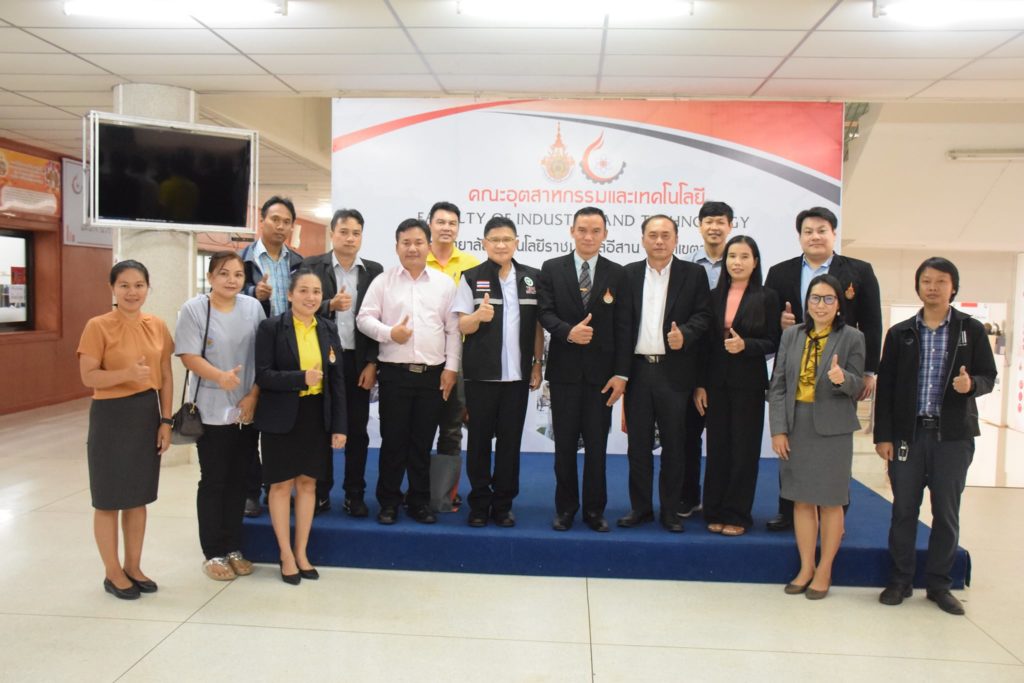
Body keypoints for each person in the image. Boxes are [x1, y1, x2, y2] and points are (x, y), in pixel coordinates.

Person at [874, 257, 997, 616]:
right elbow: (887, 388)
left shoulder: (970, 330)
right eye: (926, 281)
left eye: (941, 281)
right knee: (903, 510)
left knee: (946, 512)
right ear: (918, 286)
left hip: (952, 439)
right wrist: (883, 436)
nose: (933, 287)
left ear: (953, 287)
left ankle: (939, 584)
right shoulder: (900, 333)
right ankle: (900, 580)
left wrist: (971, 385)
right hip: (908, 437)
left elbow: (988, 376)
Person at [763, 206, 881, 531]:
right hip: (794, 365)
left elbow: (872, 323)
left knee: (832, 445)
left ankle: (834, 511)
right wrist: (778, 322)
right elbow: (766, 322)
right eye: (808, 231)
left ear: (833, 234)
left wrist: (869, 371)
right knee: (791, 443)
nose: (815, 236)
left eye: (822, 230)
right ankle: (789, 510)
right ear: (799, 236)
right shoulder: (780, 272)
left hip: (838, 370)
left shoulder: (859, 271)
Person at [77, 260, 173, 600]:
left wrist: (166, 421)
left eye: (139, 285)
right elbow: (88, 376)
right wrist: (126, 375)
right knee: (108, 499)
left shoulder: (156, 325)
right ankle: (112, 571)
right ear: (113, 289)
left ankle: (134, 566)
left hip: (146, 414)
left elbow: (166, 374)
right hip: (110, 416)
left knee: (137, 497)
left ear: (148, 288)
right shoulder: (97, 326)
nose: (132, 292)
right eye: (124, 285)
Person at [357, 218, 461, 525]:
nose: (412, 248)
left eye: (418, 242)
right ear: (397, 247)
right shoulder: (384, 281)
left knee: (422, 442)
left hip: (432, 375)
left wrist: (451, 368)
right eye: (406, 243)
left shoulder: (444, 284)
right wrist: (390, 333)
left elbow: (453, 330)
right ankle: (388, 502)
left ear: (429, 246)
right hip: (395, 374)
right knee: (393, 441)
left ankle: (419, 501)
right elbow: (364, 319)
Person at [768, 274, 865, 600]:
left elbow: (858, 386)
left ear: (838, 305)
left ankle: (824, 570)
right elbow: (778, 386)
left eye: (828, 299)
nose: (820, 305)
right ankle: (806, 567)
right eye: (815, 298)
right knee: (802, 499)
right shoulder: (791, 335)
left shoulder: (852, 337)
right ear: (806, 302)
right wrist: (779, 429)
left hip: (833, 429)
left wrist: (842, 378)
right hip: (797, 424)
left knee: (831, 501)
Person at [538, 206, 632, 532]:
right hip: (563, 374)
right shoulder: (552, 268)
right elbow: (544, 313)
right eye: (582, 230)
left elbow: (624, 327)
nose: (588, 236)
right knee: (564, 447)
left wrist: (622, 374)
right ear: (572, 231)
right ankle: (565, 509)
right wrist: (568, 332)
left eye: (595, 231)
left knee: (596, 448)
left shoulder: (618, 274)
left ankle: (594, 511)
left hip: (601, 377)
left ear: (605, 234)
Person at [175, 251, 265, 581]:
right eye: (224, 273)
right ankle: (213, 552)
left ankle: (233, 547)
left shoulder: (252, 307)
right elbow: (188, 355)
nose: (231, 280)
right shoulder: (194, 309)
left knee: (240, 480)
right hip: (211, 409)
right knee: (214, 480)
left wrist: (253, 394)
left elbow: (263, 356)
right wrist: (219, 377)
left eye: (238, 274)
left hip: (246, 408)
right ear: (211, 276)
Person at [618, 215, 711, 533]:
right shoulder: (628, 274)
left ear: (676, 239)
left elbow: (704, 316)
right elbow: (621, 325)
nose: (659, 241)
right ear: (643, 239)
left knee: (675, 445)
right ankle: (640, 508)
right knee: (638, 446)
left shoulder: (693, 274)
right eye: (653, 235)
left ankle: (671, 510)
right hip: (639, 371)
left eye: (665, 235)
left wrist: (686, 333)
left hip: (676, 372)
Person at [254, 270, 347, 585]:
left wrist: (339, 426)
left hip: (315, 416)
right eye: (304, 290)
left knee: (308, 485)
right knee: (281, 486)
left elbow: (337, 382)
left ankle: (302, 551)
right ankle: (285, 554)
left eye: (316, 291)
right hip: (280, 416)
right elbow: (263, 375)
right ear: (290, 294)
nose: (311, 297)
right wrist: (300, 378)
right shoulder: (271, 328)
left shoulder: (328, 328)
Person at [453, 216, 544, 528]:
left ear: (517, 243)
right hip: (480, 376)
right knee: (478, 442)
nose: (501, 245)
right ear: (484, 243)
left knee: (509, 443)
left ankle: (503, 504)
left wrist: (537, 363)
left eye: (507, 239)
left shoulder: (532, 278)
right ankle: (479, 503)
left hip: (517, 378)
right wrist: (478, 316)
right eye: (495, 240)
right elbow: (461, 325)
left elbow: (538, 327)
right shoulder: (470, 277)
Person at [695, 235, 780, 536]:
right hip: (715, 382)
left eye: (744, 257)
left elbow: (774, 340)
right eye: (732, 256)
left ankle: (737, 514)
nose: (737, 262)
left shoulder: (767, 296)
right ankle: (714, 509)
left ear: (755, 262)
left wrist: (747, 345)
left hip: (749, 384)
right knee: (718, 448)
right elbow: (703, 345)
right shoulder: (712, 296)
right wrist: (700, 384)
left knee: (744, 450)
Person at [302, 209, 383, 517]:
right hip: (321, 362)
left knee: (357, 431)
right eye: (344, 232)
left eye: (356, 233)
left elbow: (380, 318)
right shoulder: (312, 266)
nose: (350, 238)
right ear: (332, 234)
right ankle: (321, 492)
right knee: (320, 428)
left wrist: (372, 362)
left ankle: (354, 493)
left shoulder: (374, 271)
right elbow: (300, 307)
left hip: (358, 361)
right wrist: (329, 305)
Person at [241, 196, 305, 517]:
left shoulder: (299, 262)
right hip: (252, 348)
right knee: (250, 426)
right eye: (275, 219)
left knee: (284, 427)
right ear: (261, 220)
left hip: (290, 351)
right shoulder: (243, 261)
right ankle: (250, 492)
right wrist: (254, 294)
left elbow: (308, 299)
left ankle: (277, 487)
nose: (280, 226)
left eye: (286, 222)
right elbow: (226, 295)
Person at [425, 201, 480, 511]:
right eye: (441, 222)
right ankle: (419, 491)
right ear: (430, 225)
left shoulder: (472, 265)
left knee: (452, 427)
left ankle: (444, 495)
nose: (446, 227)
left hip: (459, 358)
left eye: (452, 223)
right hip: (422, 356)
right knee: (418, 428)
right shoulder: (417, 259)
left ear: (458, 228)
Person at [682, 200, 734, 518]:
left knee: (724, 439)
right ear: (699, 226)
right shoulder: (687, 266)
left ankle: (719, 502)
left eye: (720, 222)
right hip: (690, 364)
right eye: (709, 221)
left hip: (729, 365)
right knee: (688, 435)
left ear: (730, 226)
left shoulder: (740, 262)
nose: (714, 227)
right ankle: (688, 498)